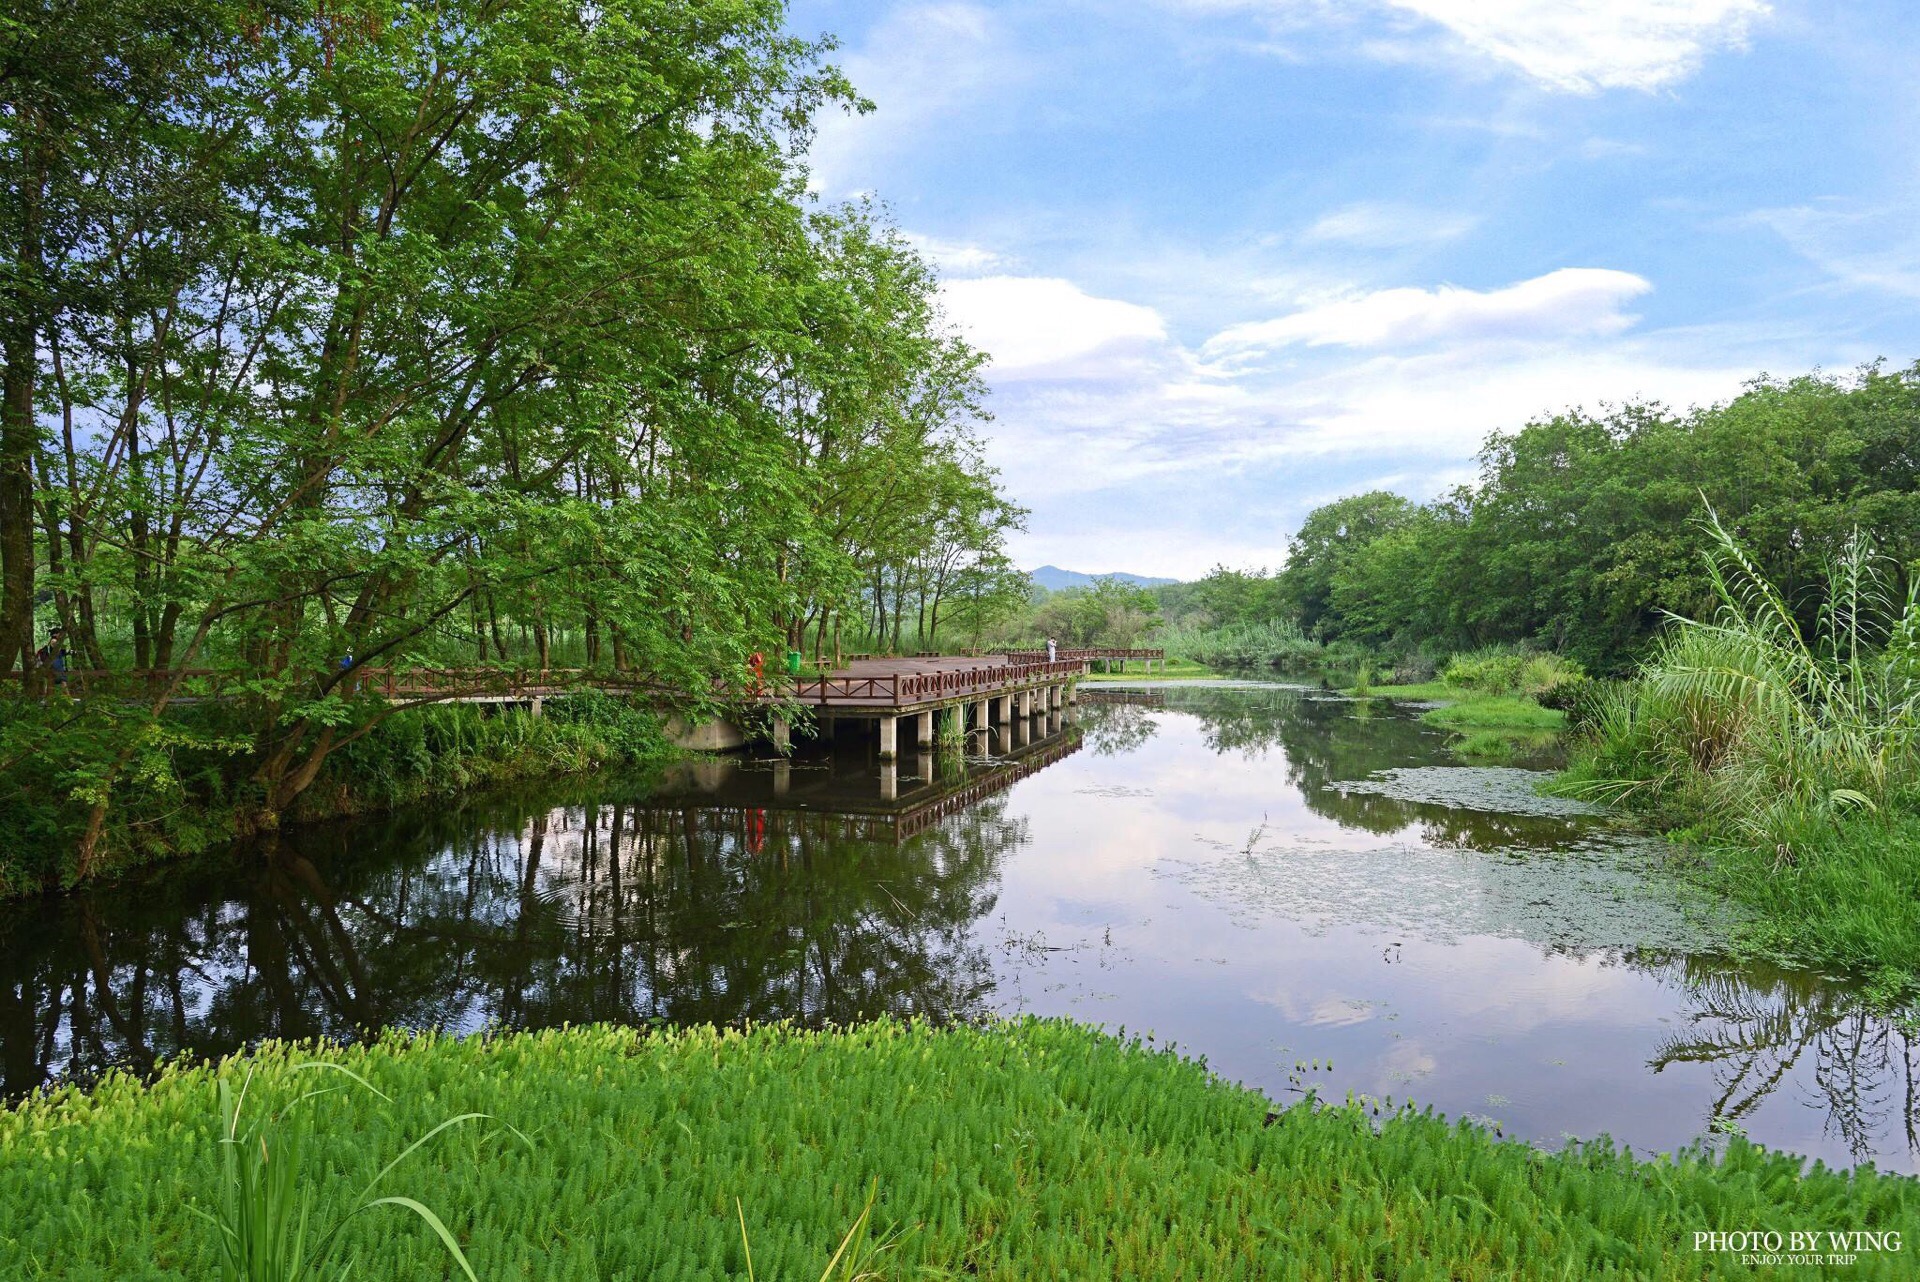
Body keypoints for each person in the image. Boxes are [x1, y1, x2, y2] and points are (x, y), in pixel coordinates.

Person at [35, 627, 69, 691]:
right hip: (56, 664)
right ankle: (68, 698)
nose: (61, 635)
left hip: (56, 663)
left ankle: (47, 698)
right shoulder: (54, 641)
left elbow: (61, 652)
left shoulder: (54, 641)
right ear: (55, 634)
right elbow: (61, 649)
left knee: (51, 681)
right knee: (62, 680)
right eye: (60, 634)